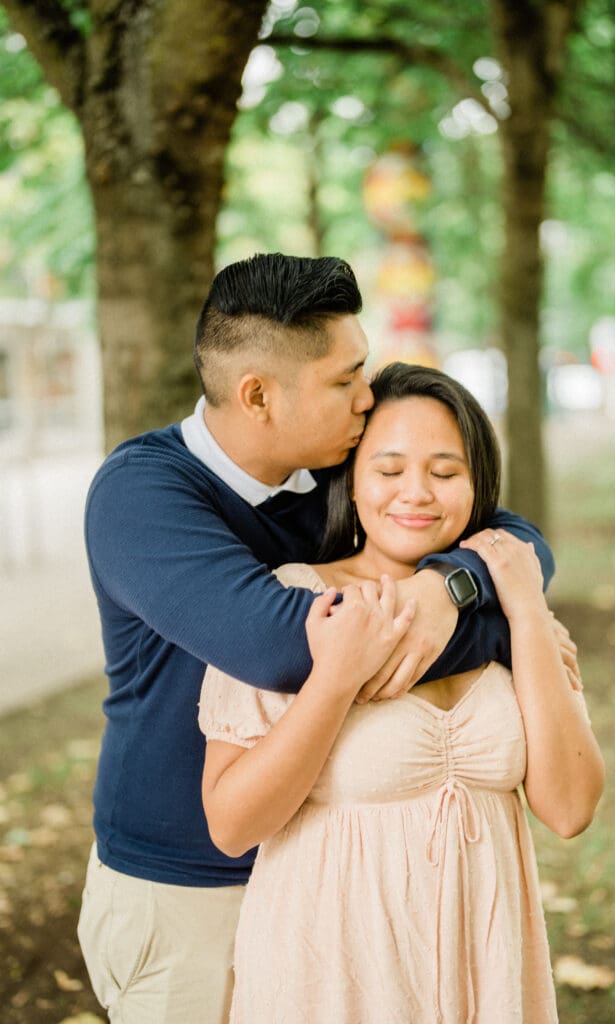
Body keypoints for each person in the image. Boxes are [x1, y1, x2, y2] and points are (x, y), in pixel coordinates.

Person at [78, 254, 561, 1024]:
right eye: (345, 380)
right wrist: (491, 616)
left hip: (322, 879)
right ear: (258, 395)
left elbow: (516, 541)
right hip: (186, 891)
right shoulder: (142, 496)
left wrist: (453, 585)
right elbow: (283, 646)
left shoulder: (329, 474)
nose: (367, 398)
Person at [200, 362, 605, 1024]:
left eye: (444, 473)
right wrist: (335, 678)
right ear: (351, 483)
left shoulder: (505, 609)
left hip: (485, 975)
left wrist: (528, 610)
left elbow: (568, 809)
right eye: (388, 470)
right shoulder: (293, 603)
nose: (415, 493)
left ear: (478, 485)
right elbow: (231, 825)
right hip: (332, 980)